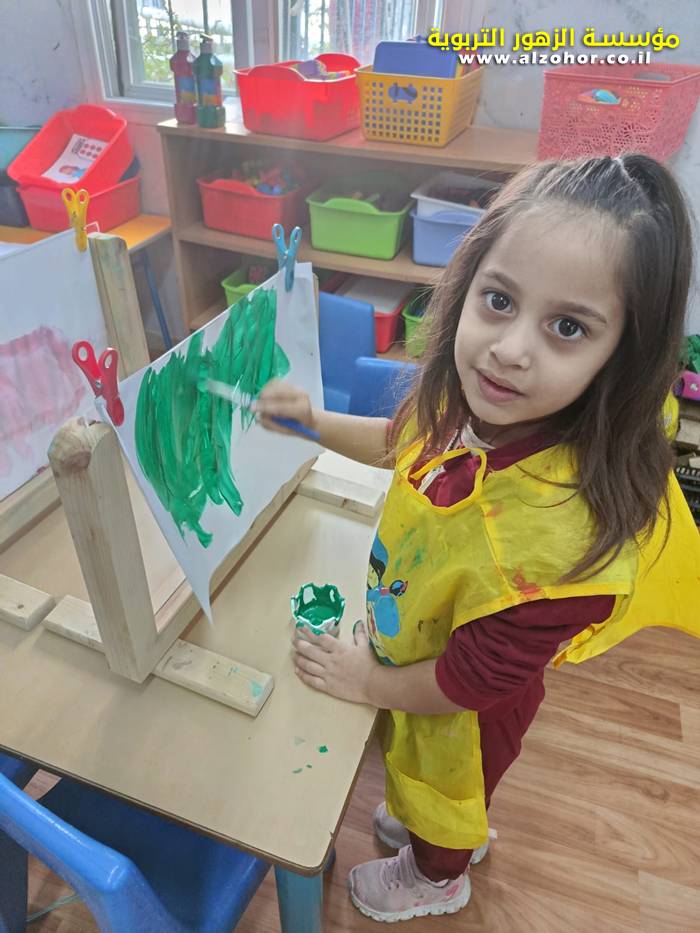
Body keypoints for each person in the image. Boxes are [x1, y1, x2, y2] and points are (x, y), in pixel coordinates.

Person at [256, 154, 700, 923]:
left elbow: (468, 683)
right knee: (418, 776)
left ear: (622, 355)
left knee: (450, 792)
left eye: (568, 327)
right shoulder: (482, 404)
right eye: (499, 300)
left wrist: (367, 683)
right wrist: (314, 423)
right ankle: (434, 829)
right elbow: (405, 442)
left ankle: (439, 875)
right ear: (466, 287)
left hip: (467, 704)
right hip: (421, 647)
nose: (510, 348)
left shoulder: (558, 543)